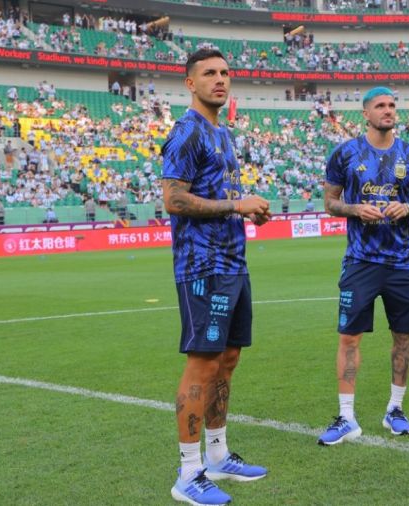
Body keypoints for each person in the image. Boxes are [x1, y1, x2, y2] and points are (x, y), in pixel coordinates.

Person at [161, 48, 272, 506]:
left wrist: (249, 209)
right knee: (204, 363)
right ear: (190, 83)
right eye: (209, 73)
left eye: (225, 73)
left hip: (233, 263)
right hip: (202, 268)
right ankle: (188, 474)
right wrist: (234, 206)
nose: (220, 80)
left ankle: (219, 454)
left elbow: (220, 195)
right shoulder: (186, 132)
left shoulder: (222, 132)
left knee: (227, 360)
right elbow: (174, 200)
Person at [318, 86, 409, 446]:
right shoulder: (345, 154)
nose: (388, 110)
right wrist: (355, 209)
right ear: (365, 114)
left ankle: (395, 409)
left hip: (402, 261)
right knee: (348, 337)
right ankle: (346, 417)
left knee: (403, 336)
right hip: (360, 261)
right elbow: (330, 202)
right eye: (380, 106)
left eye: (392, 105)